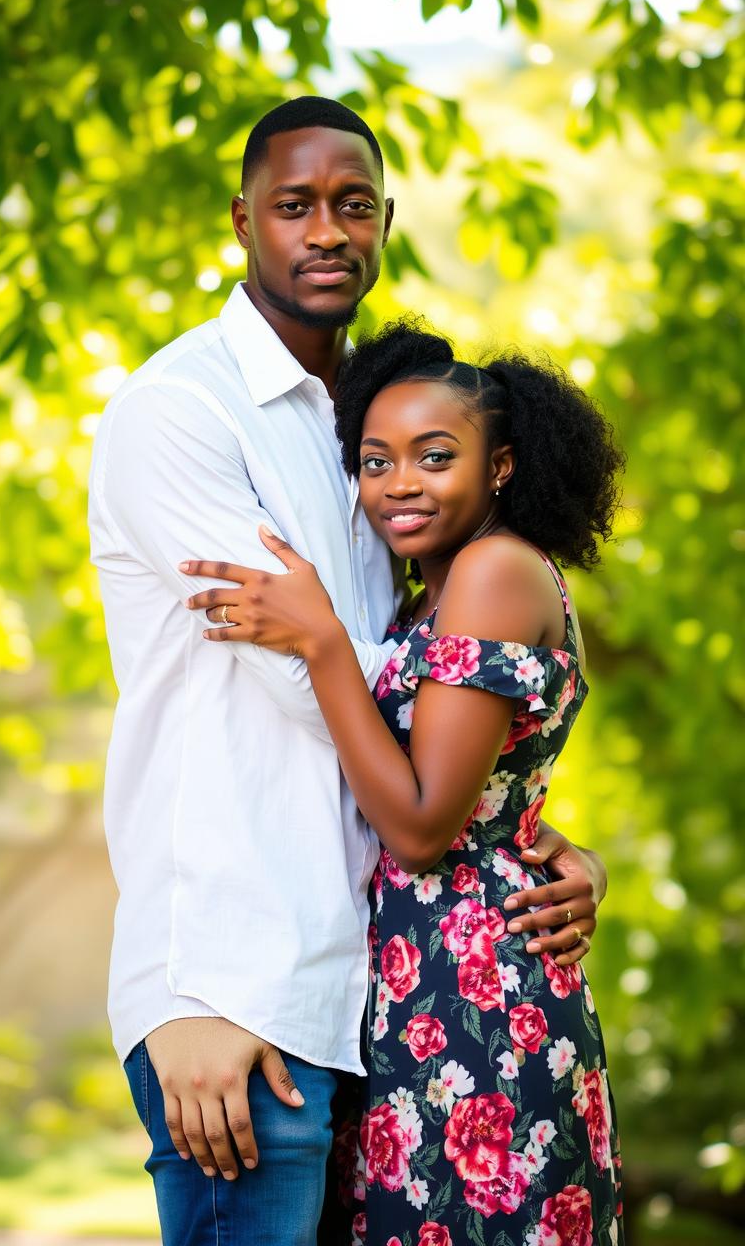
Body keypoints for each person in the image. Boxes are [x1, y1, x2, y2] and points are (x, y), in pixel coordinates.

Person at [89, 97, 608, 1246]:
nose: (327, 231)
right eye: (293, 205)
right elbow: (289, 673)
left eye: (354, 204)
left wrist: (514, 820)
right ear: (242, 221)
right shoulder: (182, 412)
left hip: (368, 996)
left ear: (383, 222)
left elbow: (411, 695)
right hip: (237, 988)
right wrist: (192, 998)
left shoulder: (362, 438)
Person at [182, 320, 625, 1244]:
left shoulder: (494, 571)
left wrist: (322, 643)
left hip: (481, 999)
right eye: (376, 462)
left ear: (500, 466)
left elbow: (424, 827)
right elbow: (489, 789)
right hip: (419, 985)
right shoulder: (438, 587)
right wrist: (568, 849)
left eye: (434, 456)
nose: (400, 485)